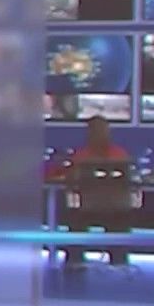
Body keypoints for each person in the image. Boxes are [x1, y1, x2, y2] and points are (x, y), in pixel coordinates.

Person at [59, 115, 131, 268]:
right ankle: (77, 262)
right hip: (96, 208)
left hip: (103, 208)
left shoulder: (116, 154)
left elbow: (71, 180)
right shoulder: (84, 155)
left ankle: (78, 261)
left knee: (78, 220)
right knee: (76, 221)